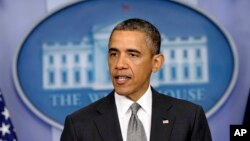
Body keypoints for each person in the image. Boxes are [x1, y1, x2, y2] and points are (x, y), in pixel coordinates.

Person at [60, 18, 212, 141]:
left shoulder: (189, 118)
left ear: (156, 63)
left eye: (132, 54)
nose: (119, 64)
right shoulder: (78, 125)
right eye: (114, 54)